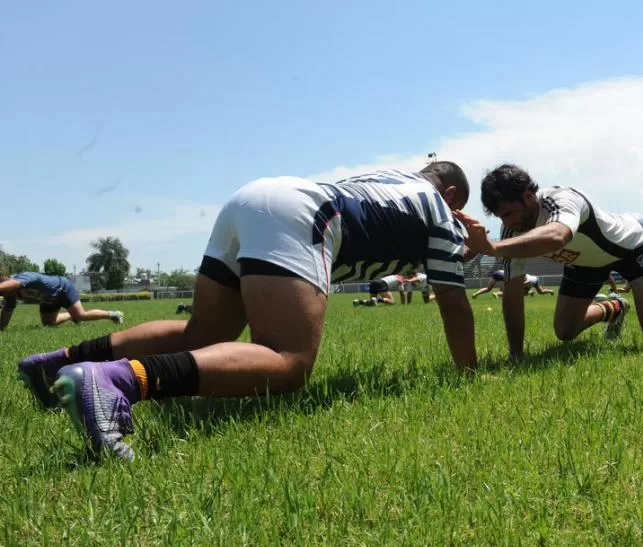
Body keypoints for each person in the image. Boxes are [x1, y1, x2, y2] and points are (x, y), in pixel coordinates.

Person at [18, 162, 478, 460]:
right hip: (305, 213)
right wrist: (468, 376)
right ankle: (115, 382)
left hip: (255, 196)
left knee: (203, 332)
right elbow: (454, 305)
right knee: (289, 361)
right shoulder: (438, 212)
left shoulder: (390, 175)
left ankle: (59, 364)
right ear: (453, 194)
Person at [456, 164, 643, 360]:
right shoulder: (512, 230)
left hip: (630, 247)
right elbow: (512, 294)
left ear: (527, 196)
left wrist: (490, 248)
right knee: (565, 331)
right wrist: (516, 357)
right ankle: (615, 308)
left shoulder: (561, 199)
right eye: (501, 217)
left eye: (509, 213)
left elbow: (557, 236)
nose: (507, 223)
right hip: (585, 263)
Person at [0, 271, 123, 330]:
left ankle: (114, 314)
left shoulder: (25, 277)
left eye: (2, 292)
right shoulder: (9, 295)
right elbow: (5, 319)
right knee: (49, 324)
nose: (3, 295)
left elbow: (15, 283)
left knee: (80, 315)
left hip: (62, 288)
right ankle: (70, 316)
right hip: (49, 299)